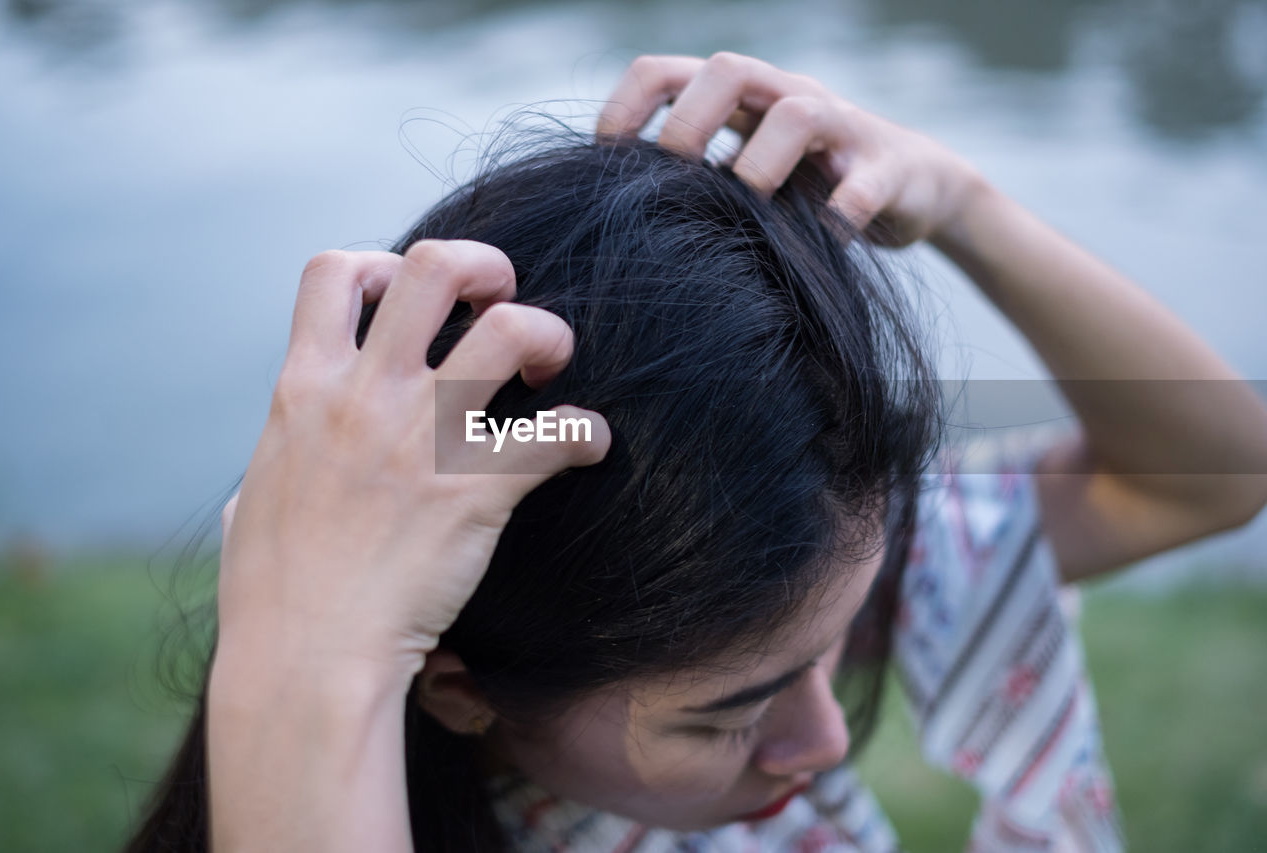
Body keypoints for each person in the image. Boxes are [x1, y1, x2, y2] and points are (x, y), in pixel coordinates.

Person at [124, 52, 1267, 852]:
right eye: (723, 716)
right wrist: (307, 644)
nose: (820, 743)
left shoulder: (781, 575)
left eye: (833, 646)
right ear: (461, 686)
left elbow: (1205, 475)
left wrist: (963, 204)